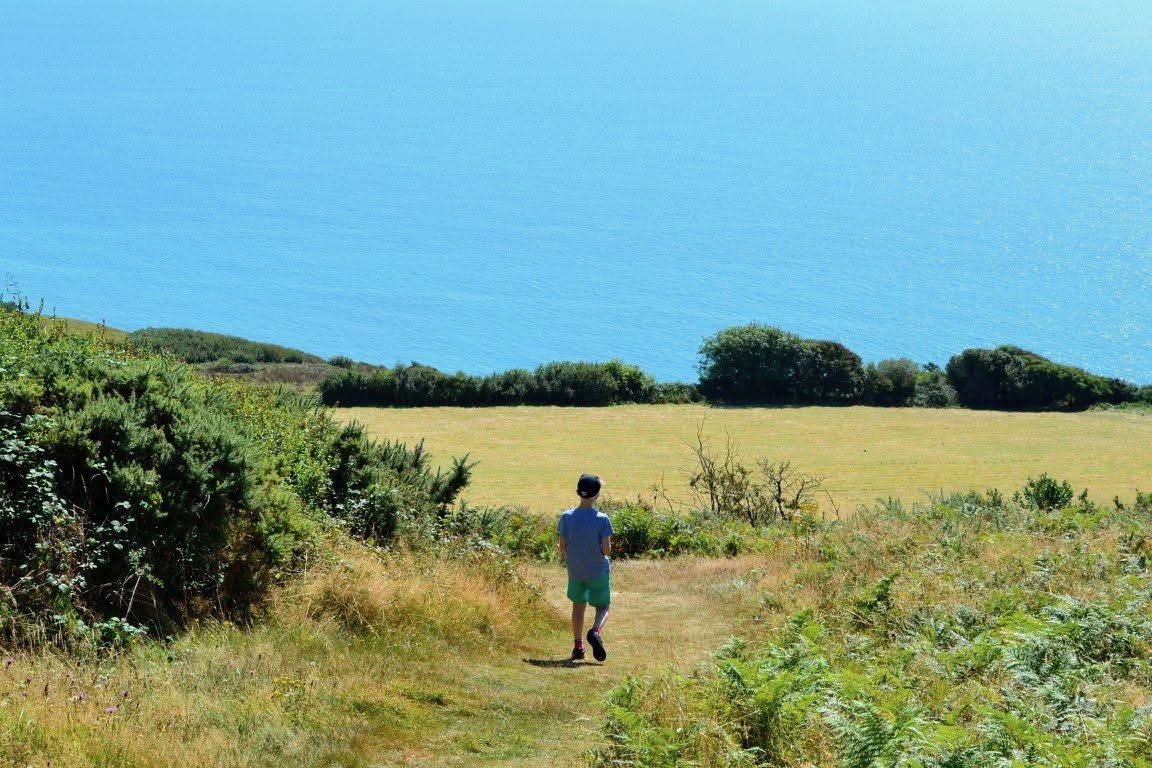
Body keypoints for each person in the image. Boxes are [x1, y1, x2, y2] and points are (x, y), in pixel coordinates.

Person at [558, 473, 613, 661]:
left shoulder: (566, 517)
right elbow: (606, 550)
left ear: (577, 493)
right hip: (597, 570)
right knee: (603, 606)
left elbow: (562, 546)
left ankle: (578, 646)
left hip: (575, 571)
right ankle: (595, 631)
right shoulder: (602, 519)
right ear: (597, 495)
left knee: (578, 607)